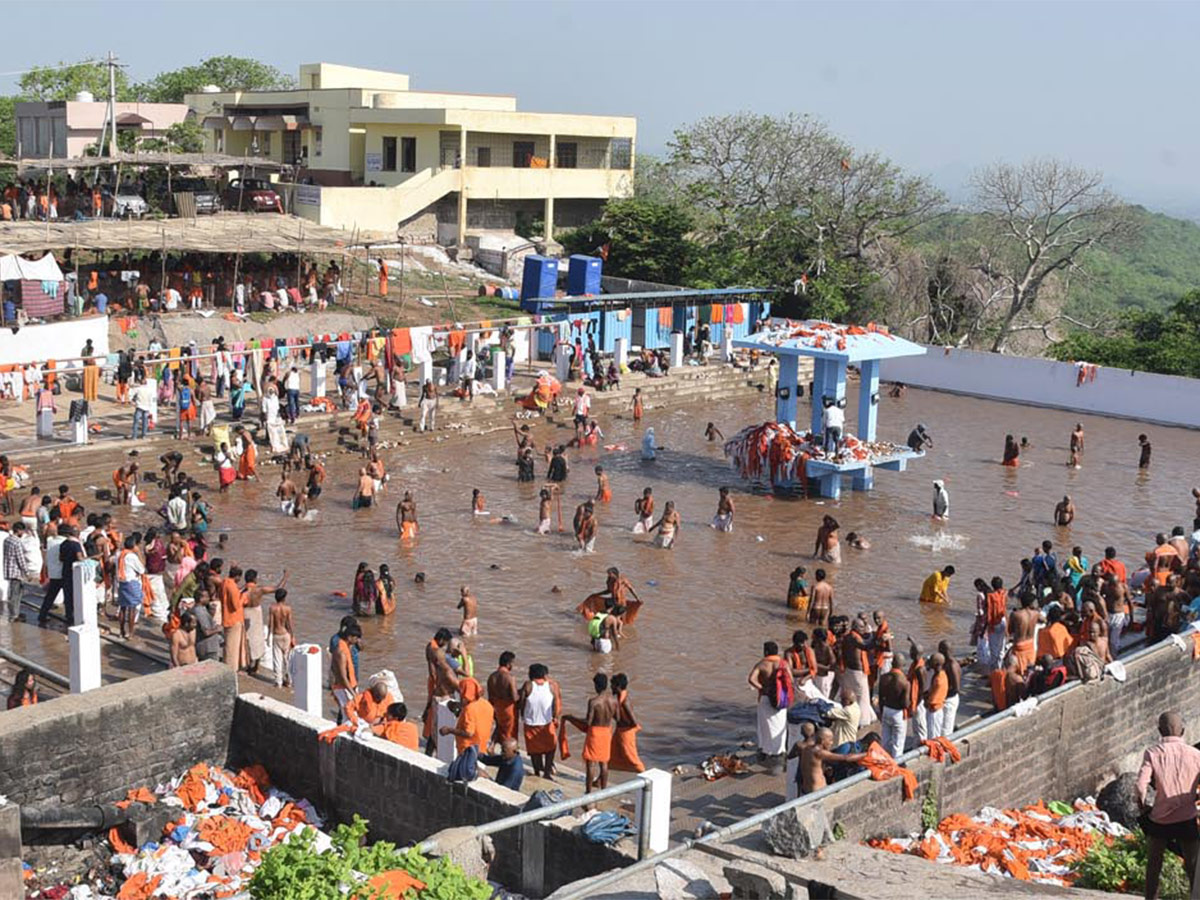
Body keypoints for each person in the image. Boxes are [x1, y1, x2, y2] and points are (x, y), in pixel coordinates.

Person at [1136, 712, 1200, 899]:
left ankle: (1151, 898)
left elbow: (1140, 786)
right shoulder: (1196, 755)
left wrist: (1143, 807)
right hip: (1187, 817)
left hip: (1160, 819)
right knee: (1193, 866)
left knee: (1154, 865)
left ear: (1159, 731)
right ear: (1183, 731)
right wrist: (1193, 796)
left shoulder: (1153, 753)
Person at [562, 672, 618, 792]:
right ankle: (604, 789)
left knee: (591, 763)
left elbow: (588, 721)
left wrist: (572, 718)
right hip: (607, 731)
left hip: (595, 733)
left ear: (596, 686)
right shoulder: (614, 701)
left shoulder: (594, 702)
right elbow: (617, 718)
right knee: (604, 763)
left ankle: (588, 791)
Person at [519, 663, 562, 779]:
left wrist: (522, 715)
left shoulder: (528, 685)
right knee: (551, 748)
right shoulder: (552, 686)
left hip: (530, 722)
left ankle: (537, 771)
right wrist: (555, 716)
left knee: (534, 751)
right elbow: (555, 703)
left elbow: (521, 702)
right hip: (547, 723)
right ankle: (547, 772)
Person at [795, 727, 867, 794]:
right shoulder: (819, 753)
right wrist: (867, 754)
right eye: (830, 740)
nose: (832, 743)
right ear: (822, 741)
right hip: (817, 792)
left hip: (805, 790)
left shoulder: (805, 749)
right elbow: (846, 758)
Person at [748, 642, 788, 759]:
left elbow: (751, 679)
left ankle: (766, 749)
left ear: (766, 652)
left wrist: (763, 688)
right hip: (780, 698)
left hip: (766, 697)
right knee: (780, 724)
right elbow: (789, 679)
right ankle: (779, 750)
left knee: (766, 726)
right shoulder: (782, 664)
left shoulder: (762, 664)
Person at [609, 673, 646, 773]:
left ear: (618, 687)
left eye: (612, 685)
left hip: (626, 733)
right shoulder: (619, 699)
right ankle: (599, 781)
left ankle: (647, 778)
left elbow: (633, 722)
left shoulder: (625, 702)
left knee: (632, 758)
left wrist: (620, 721)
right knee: (611, 755)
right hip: (620, 731)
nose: (611, 688)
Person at [330, 618, 363, 723]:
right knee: (347, 716)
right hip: (344, 687)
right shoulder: (341, 652)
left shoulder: (346, 646)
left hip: (349, 685)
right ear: (349, 637)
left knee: (351, 713)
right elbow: (342, 676)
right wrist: (352, 693)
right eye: (356, 638)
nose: (357, 640)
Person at [2, 522, 33, 623]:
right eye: (22, 531)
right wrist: (27, 573)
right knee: (16, 594)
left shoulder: (7, 540)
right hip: (16, 572)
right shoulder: (17, 542)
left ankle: (15, 613)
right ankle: (14, 615)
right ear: (19, 530)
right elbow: (20, 559)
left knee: (13, 593)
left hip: (8, 569)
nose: (23, 533)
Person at [115, 534, 145, 640]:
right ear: (134, 546)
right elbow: (142, 570)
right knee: (132, 609)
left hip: (122, 583)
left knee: (122, 608)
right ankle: (131, 633)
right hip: (131, 582)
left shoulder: (119, 554)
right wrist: (139, 553)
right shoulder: (132, 556)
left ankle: (122, 631)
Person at [878, 660, 909, 759]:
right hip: (898, 713)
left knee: (885, 740)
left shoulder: (883, 678)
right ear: (902, 666)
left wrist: (881, 711)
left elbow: (880, 697)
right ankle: (896, 766)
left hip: (886, 709)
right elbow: (905, 704)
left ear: (892, 664)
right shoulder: (904, 682)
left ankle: (884, 761)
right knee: (898, 743)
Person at [487, 651, 519, 747]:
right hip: (508, 708)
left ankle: (492, 747)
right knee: (509, 734)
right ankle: (507, 754)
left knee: (500, 729)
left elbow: (490, 697)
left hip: (497, 707)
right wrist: (520, 694)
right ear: (509, 664)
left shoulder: (492, 677)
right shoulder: (509, 677)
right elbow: (514, 697)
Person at [268, 588, 295, 688]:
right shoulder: (288, 608)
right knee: (287, 659)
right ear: (284, 598)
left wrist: (268, 636)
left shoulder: (272, 608)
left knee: (277, 660)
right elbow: (290, 624)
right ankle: (289, 681)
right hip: (286, 635)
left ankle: (278, 682)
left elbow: (270, 623)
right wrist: (293, 636)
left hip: (276, 634)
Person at [1009, 593, 1039, 674]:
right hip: (1030, 644)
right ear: (1031, 603)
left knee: (1018, 669)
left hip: (1019, 644)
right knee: (1029, 668)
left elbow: (1010, 630)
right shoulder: (1036, 614)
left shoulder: (1015, 614)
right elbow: (1044, 620)